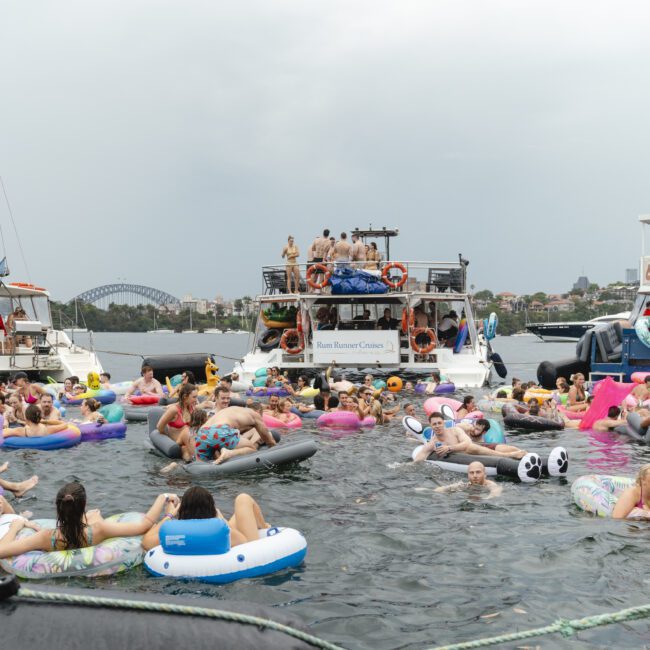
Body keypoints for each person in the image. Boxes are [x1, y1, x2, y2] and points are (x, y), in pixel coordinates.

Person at [0, 482, 174, 559]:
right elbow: (145, 525)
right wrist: (163, 496)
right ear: (83, 506)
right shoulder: (99, 529)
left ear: (58, 507)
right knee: (96, 516)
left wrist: (15, 527)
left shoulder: (45, 537)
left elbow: (2, 551)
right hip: (92, 547)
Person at [142, 486, 271, 551]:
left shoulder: (174, 531)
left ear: (182, 510)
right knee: (243, 499)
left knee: (238, 516)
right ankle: (264, 526)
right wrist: (221, 519)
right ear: (211, 508)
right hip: (247, 549)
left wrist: (170, 515)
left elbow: (146, 542)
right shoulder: (219, 529)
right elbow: (244, 541)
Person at [413, 412, 528, 463]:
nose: (437, 426)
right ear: (431, 426)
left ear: (443, 422)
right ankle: (510, 456)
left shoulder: (455, 430)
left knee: (500, 447)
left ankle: (525, 454)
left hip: (477, 446)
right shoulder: (433, 443)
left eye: (439, 423)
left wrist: (448, 448)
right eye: (434, 424)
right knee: (471, 448)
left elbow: (467, 442)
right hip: (471, 452)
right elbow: (420, 456)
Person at [192, 405, 277, 464]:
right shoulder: (255, 415)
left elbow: (213, 436)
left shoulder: (230, 410)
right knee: (252, 449)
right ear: (258, 412)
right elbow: (268, 439)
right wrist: (275, 449)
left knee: (202, 466)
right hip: (220, 430)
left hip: (202, 433)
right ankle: (229, 453)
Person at [434, 461, 503, 498]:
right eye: (471, 473)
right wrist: (428, 491)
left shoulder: (490, 485)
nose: (475, 476)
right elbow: (445, 488)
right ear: (468, 475)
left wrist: (486, 499)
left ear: (485, 474)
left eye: (478, 472)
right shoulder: (466, 485)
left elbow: (495, 493)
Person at [3, 403, 67, 438]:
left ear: (27, 418)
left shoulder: (21, 431)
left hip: (26, 439)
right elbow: (64, 424)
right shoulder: (48, 429)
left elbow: (3, 433)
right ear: (39, 417)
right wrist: (45, 421)